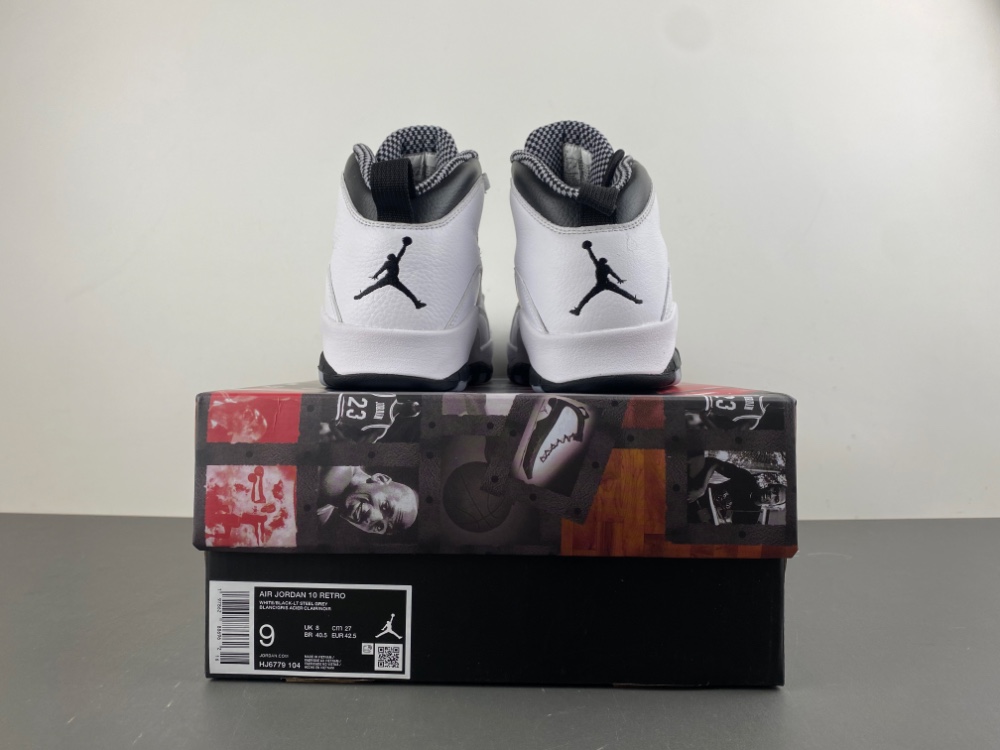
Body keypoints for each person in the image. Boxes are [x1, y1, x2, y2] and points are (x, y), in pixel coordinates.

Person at [316, 466, 418, 535]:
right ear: (380, 478)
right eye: (385, 506)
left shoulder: (324, 513)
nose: (371, 518)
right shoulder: (332, 481)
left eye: (379, 527)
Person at [570, 240, 642, 315]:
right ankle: (635, 300)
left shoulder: (599, 265)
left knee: (587, 297)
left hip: (600, 284)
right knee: (622, 292)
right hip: (607, 283)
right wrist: (619, 279)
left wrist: (589, 249)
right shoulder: (606, 267)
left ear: (601, 261)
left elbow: (592, 256)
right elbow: (613, 274)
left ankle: (578, 310)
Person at [354, 236, 426, 309]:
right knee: (406, 291)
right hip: (389, 279)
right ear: (391, 258)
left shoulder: (394, 261)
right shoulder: (391, 262)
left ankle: (417, 304)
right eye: (393, 256)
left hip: (393, 279)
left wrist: (404, 246)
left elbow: (400, 254)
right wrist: (376, 275)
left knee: (406, 291)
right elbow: (381, 269)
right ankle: (360, 296)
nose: (394, 257)